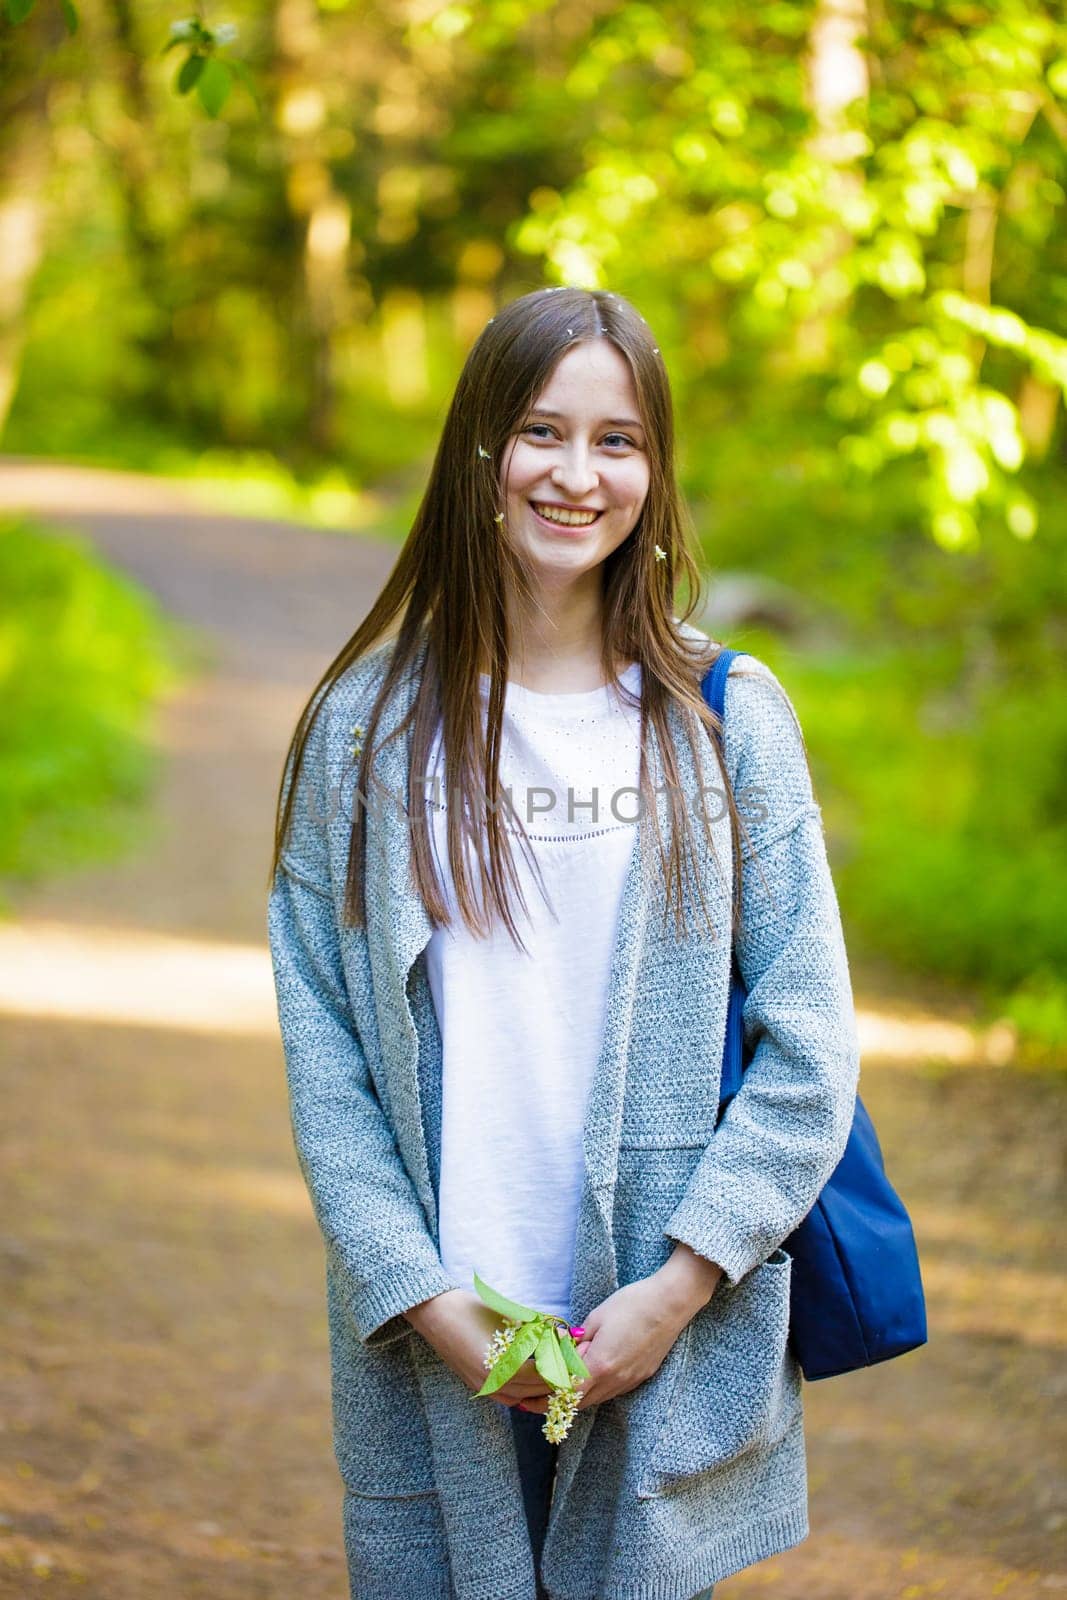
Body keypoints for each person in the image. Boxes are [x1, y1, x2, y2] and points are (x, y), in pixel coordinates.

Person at [267, 286, 860, 1600]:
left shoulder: (728, 722)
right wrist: (421, 1295)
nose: (578, 475)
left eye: (620, 441)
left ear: (655, 471)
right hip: (438, 1333)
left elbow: (812, 1043)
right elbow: (323, 1040)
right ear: (479, 450)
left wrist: (682, 1285)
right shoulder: (367, 730)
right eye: (542, 432)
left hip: (662, 1328)